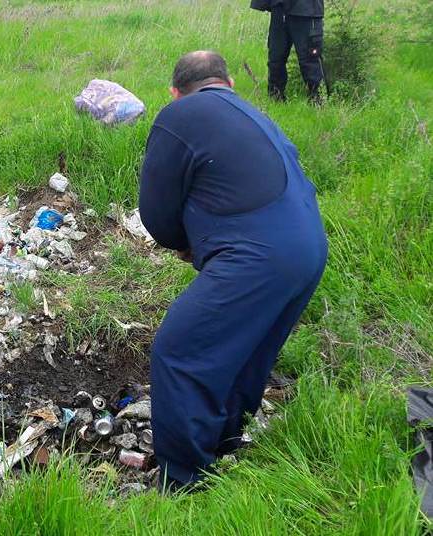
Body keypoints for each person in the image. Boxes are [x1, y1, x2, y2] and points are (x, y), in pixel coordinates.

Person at [138, 51, 328, 490]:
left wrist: (182, 242)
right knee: (246, 349)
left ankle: (184, 481)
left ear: (175, 92)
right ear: (228, 83)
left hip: (259, 255)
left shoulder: (178, 114)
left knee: (178, 353)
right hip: (309, 247)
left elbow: (156, 213)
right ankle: (224, 440)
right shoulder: (253, 113)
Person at [251, 0, 325, 102]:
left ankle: (317, 101)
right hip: (280, 8)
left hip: (307, 10)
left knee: (309, 61)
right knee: (275, 59)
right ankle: (275, 98)